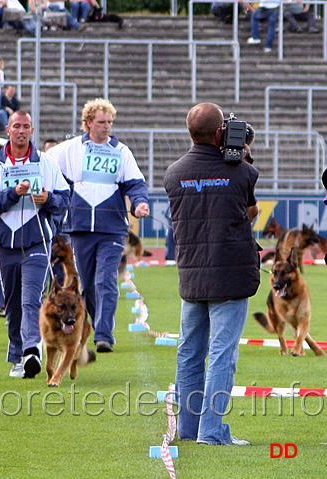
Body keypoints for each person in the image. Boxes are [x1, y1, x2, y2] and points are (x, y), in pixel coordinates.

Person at [164, 102, 260, 446]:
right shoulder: (243, 171)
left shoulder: (173, 173)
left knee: (189, 354)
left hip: (191, 275)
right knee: (222, 354)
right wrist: (243, 155)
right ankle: (212, 431)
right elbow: (251, 212)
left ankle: (189, 430)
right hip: (230, 276)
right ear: (221, 133)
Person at [46, 98, 150, 353]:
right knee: (89, 283)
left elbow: (135, 183)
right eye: (102, 122)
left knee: (106, 280)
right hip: (80, 228)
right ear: (89, 122)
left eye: (110, 122)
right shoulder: (68, 149)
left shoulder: (121, 151)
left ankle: (104, 335)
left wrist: (139, 203)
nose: (107, 127)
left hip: (112, 228)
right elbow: (46, 166)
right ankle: (93, 324)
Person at [0, 110, 70, 379]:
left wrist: (47, 199)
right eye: (16, 126)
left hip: (37, 240)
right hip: (5, 242)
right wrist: (12, 194)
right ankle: (18, 353)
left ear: (32, 131)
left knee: (32, 298)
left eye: (26, 126)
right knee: (13, 303)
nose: (21, 131)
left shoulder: (46, 162)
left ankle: (32, 350)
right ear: (7, 130)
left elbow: (64, 198)